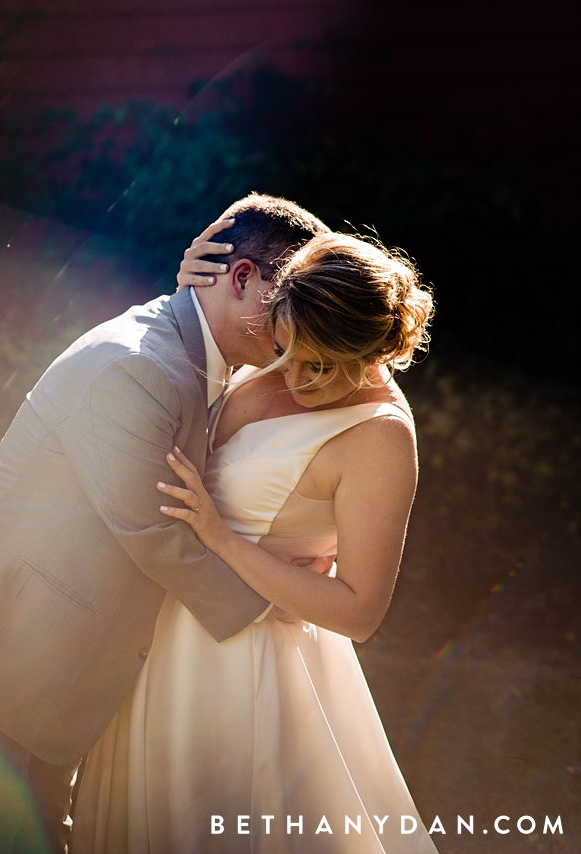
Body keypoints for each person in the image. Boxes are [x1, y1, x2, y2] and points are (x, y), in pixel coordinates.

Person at [0, 194, 331, 853]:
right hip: (0, 639)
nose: (297, 333)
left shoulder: (196, 352)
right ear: (241, 278)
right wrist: (279, 602)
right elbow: (157, 533)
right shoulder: (139, 365)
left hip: (51, 645)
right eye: (294, 308)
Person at [70, 230, 438, 853]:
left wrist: (222, 536)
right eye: (285, 349)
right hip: (150, 639)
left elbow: (359, 611)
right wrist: (198, 282)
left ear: (371, 348)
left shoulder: (380, 437)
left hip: (241, 666)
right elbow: (305, 256)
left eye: (318, 366)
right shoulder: (302, 316)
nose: (290, 374)